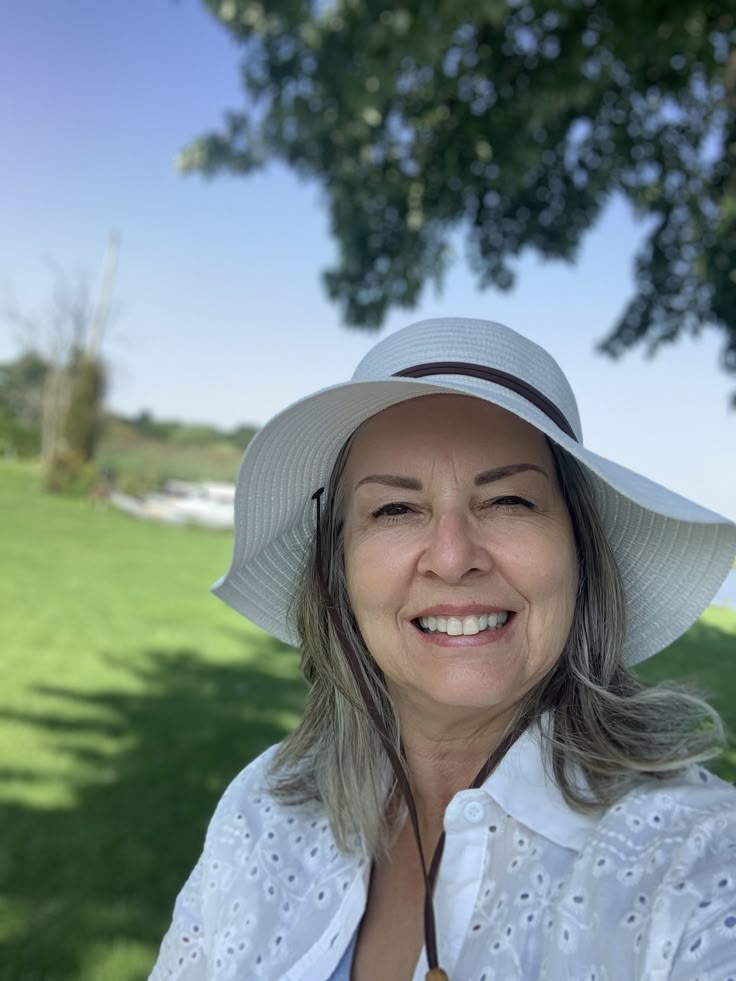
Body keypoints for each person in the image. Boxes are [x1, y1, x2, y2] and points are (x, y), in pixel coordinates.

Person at [150, 318, 736, 981]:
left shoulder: (697, 866)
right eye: (396, 510)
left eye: (509, 500)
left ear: (580, 553)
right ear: (338, 569)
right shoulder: (262, 810)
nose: (453, 557)